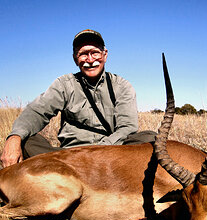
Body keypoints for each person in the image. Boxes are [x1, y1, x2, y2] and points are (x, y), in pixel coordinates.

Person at [1, 29, 156, 168]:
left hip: (111, 154)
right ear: (75, 59)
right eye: (83, 54)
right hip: (69, 157)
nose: (90, 59)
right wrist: (14, 137)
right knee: (27, 141)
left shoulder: (121, 86)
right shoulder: (64, 84)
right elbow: (36, 112)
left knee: (150, 138)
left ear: (105, 55)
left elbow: (127, 128)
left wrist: (98, 150)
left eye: (95, 52)